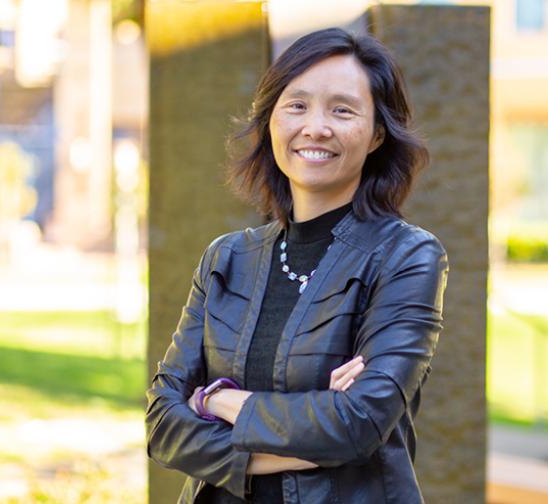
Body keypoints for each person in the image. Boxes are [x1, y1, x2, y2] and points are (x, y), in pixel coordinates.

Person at [146, 27, 449, 504]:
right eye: (297, 105)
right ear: (271, 121)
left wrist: (214, 401)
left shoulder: (407, 256)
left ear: (376, 134)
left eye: (342, 109)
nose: (316, 127)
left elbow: (357, 423)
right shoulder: (226, 258)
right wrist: (315, 426)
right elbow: (163, 423)